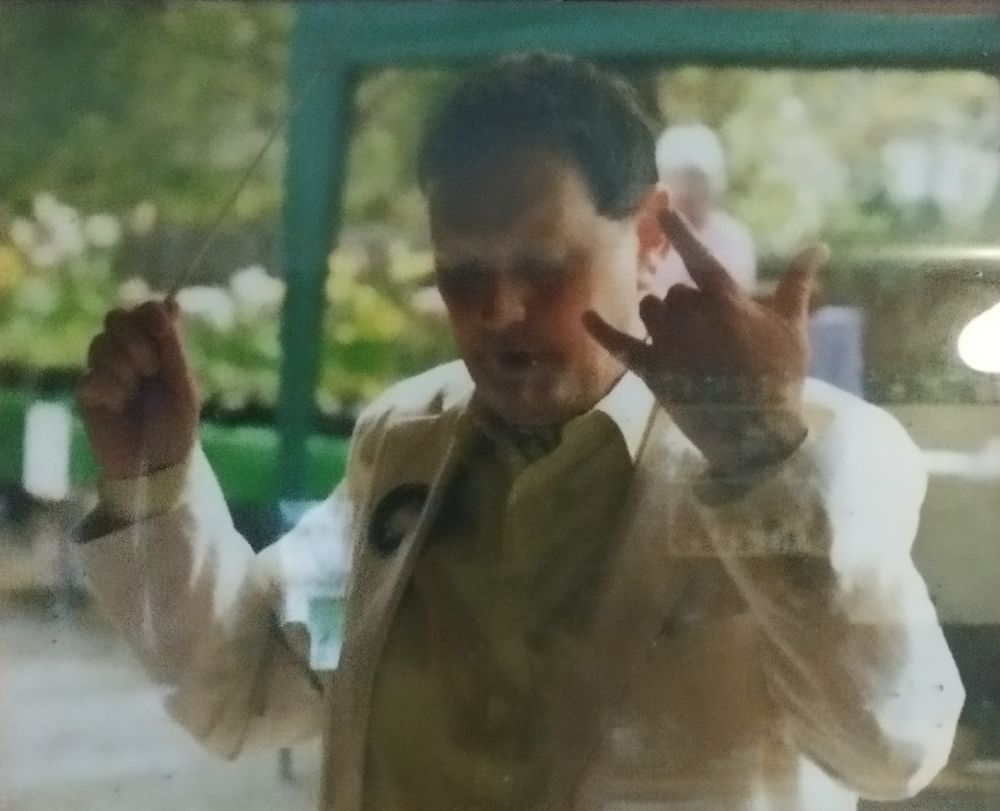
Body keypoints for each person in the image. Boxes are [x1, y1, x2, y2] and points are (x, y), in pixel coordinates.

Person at [75, 54, 963, 811]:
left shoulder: (819, 449)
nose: (499, 311)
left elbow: (893, 746)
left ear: (652, 233)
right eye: (462, 270)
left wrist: (759, 455)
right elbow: (248, 686)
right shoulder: (404, 442)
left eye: (544, 264)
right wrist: (152, 483)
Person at [653, 124, 757, 295]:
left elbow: (733, 294)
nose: (689, 189)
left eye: (697, 179)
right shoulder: (648, 237)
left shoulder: (732, 237)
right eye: (681, 177)